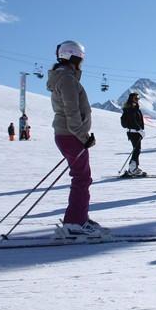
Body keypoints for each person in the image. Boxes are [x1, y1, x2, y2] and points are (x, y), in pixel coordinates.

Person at [46, 40, 104, 236]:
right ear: (73, 57)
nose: (81, 63)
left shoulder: (63, 77)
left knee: (80, 177)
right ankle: (76, 223)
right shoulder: (68, 80)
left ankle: (78, 218)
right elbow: (72, 111)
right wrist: (83, 136)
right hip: (71, 135)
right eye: (80, 59)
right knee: (82, 178)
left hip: (66, 135)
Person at [121, 93, 146, 176]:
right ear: (131, 99)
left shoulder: (133, 108)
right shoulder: (131, 108)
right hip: (134, 132)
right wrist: (139, 130)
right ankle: (132, 169)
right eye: (136, 98)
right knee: (136, 150)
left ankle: (134, 167)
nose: (137, 100)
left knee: (137, 149)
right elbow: (133, 120)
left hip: (135, 132)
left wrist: (140, 130)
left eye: (138, 98)